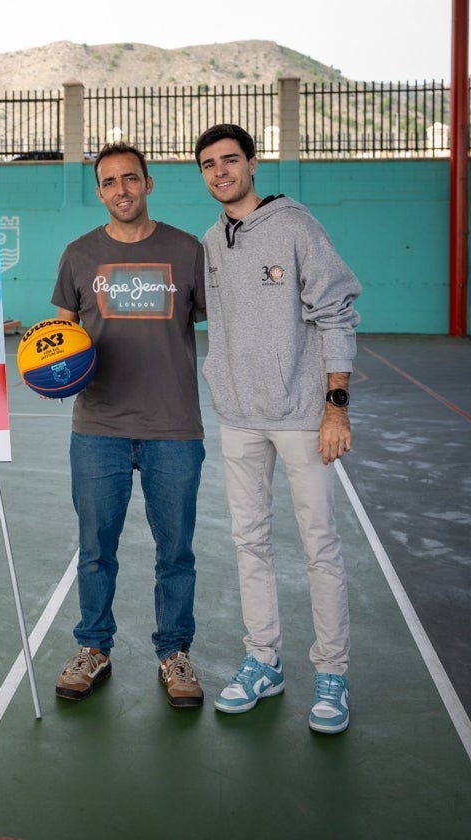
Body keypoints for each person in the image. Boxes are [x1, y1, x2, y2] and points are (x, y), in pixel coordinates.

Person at [193, 123, 361, 734]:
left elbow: (336, 310)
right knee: (249, 543)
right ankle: (264, 660)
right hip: (239, 419)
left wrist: (334, 406)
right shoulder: (212, 242)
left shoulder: (295, 226)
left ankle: (333, 673)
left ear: (253, 164)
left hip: (299, 417)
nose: (220, 173)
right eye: (208, 164)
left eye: (230, 161)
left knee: (319, 545)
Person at [50, 142, 207, 708]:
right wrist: (52, 373)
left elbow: (226, 325)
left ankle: (175, 654)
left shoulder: (188, 251)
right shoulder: (78, 255)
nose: (121, 189)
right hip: (98, 427)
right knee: (95, 548)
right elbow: (60, 335)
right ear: (100, 191)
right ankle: (94, 646)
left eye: (131, 179)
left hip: (174, 428)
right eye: (110, 181)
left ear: (148, 183)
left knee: (177, 552)